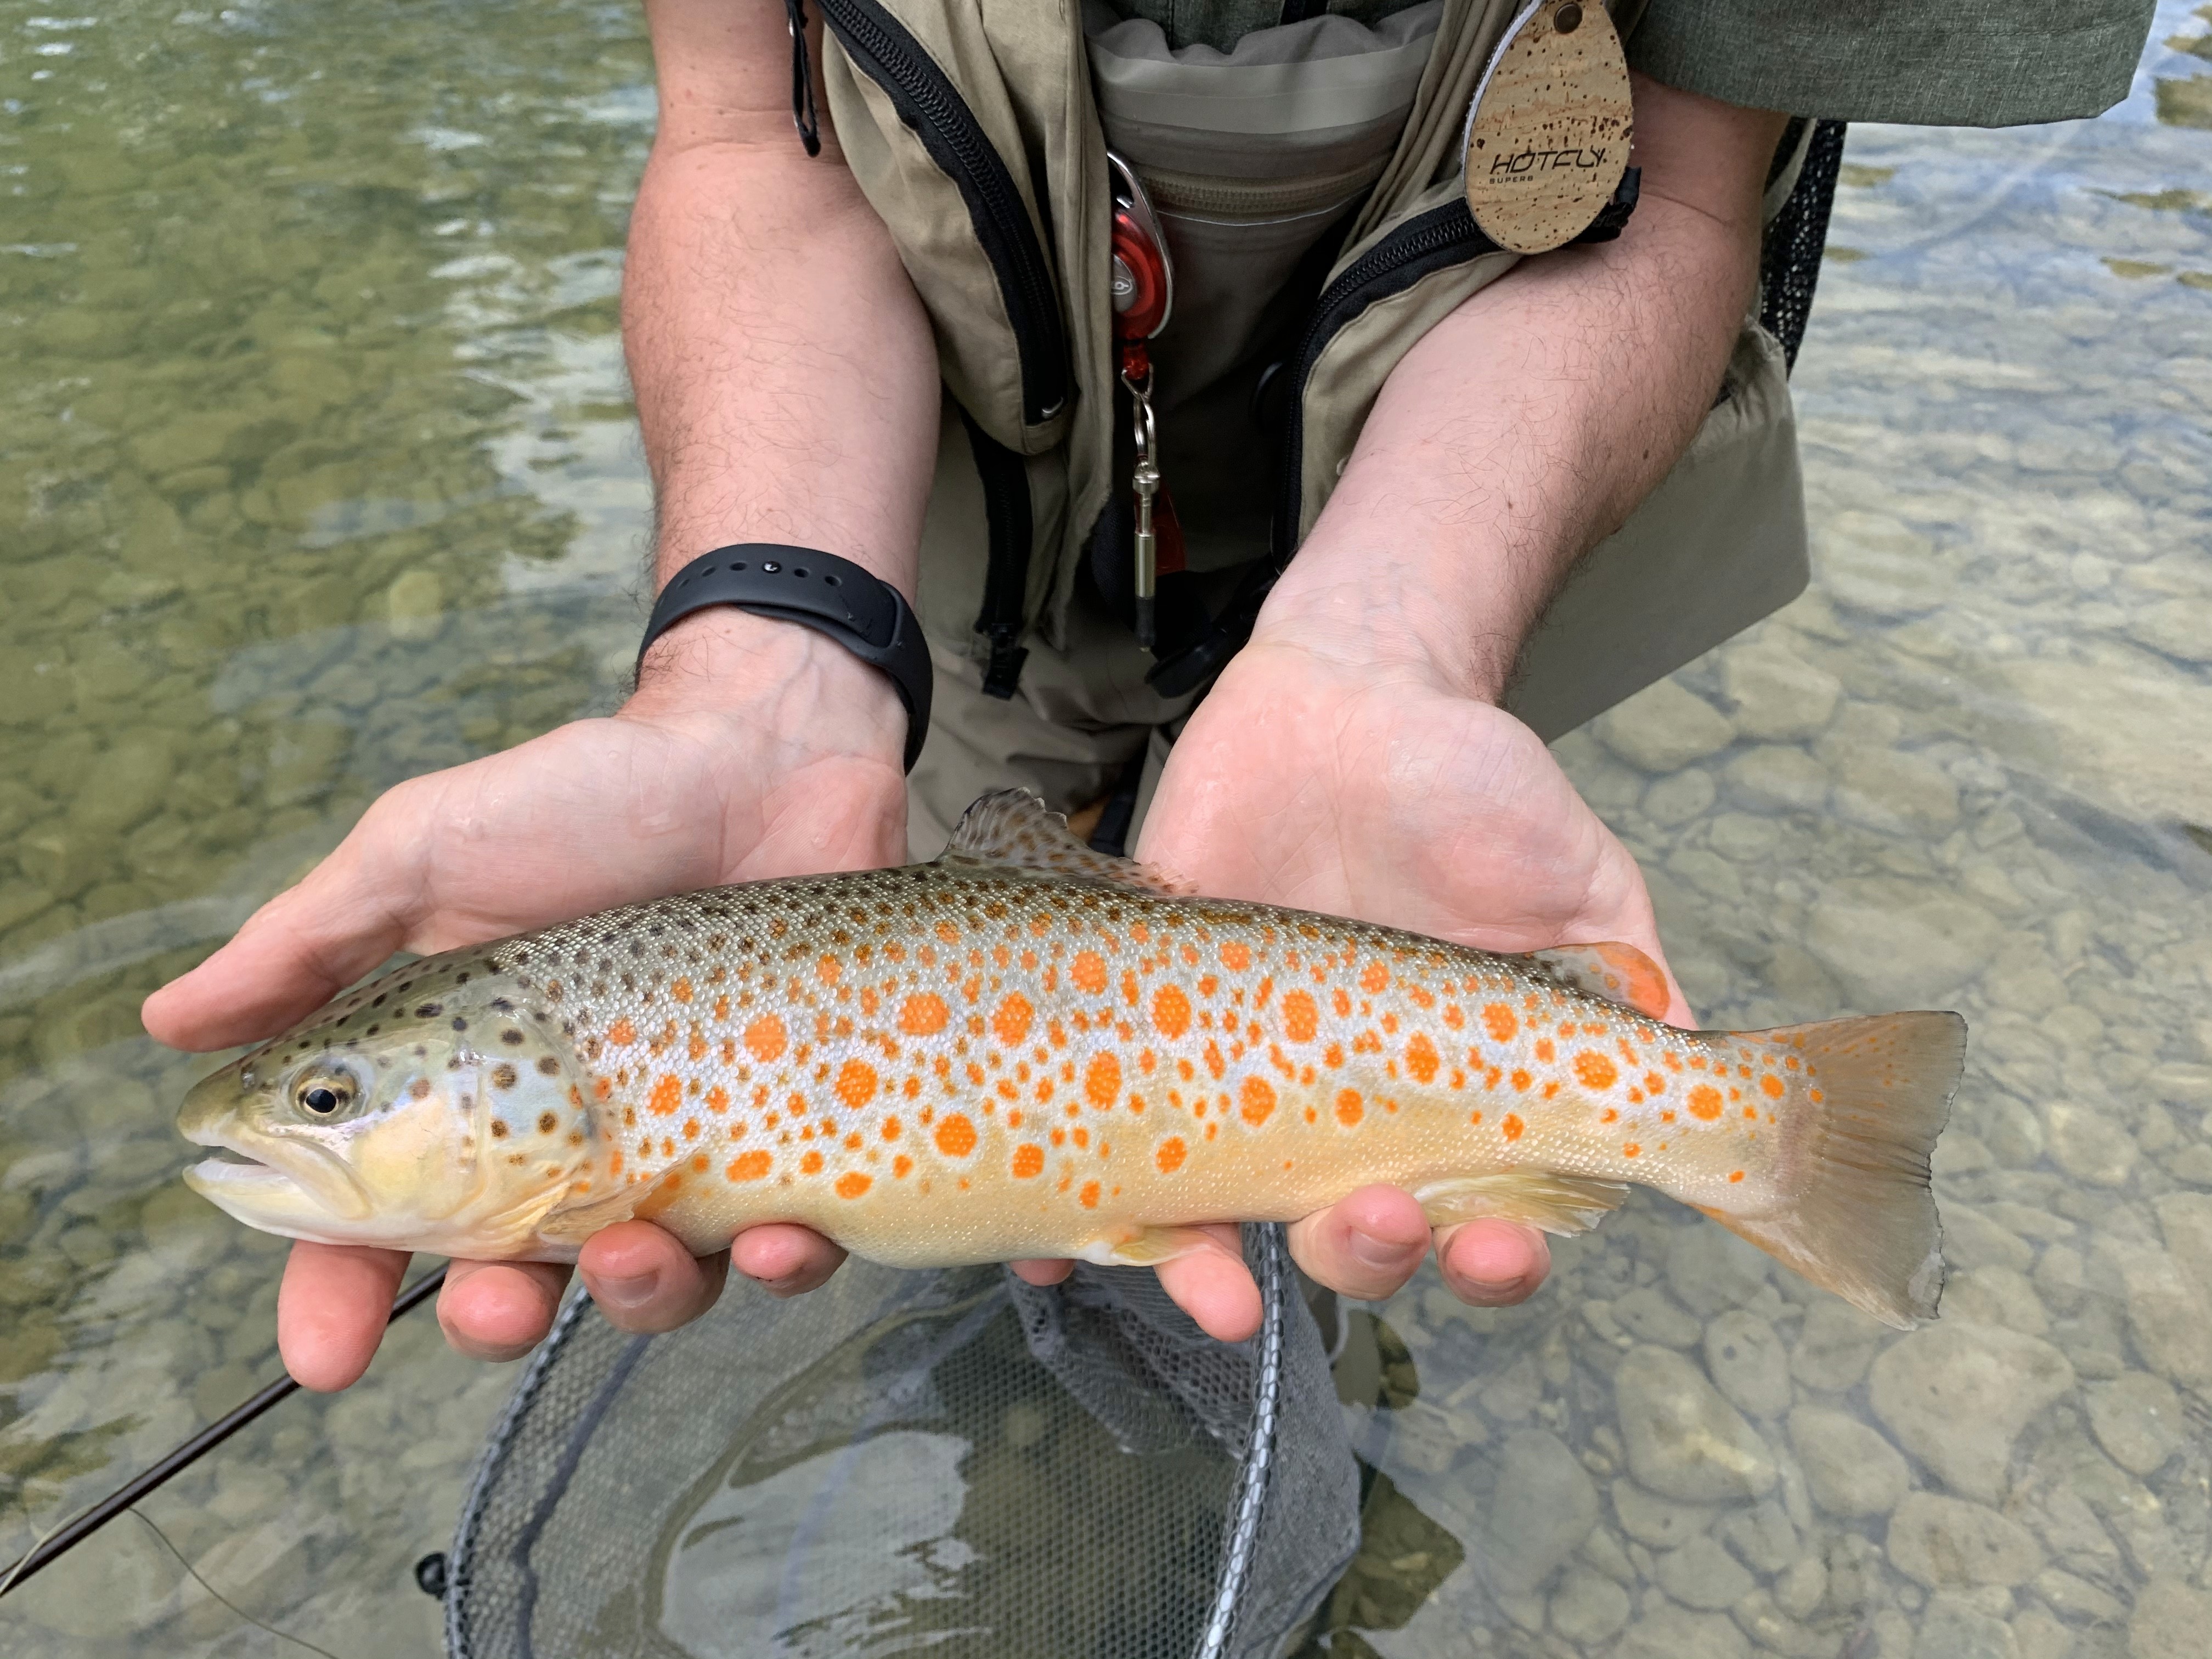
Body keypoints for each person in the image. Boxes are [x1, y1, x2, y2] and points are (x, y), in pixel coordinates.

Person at [144, 0, 2153, 1392]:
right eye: (335, 1100)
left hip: (1455, 463)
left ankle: (1715, 1133)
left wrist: (1392, 641)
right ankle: (1139, 1302)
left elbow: (1682, 205)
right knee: (1017, 906)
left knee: (1282, 1051)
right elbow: (745, 138)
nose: (299, 1121)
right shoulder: (605, 1051)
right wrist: (757, 656)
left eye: (331, 1101)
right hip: (941, 493)